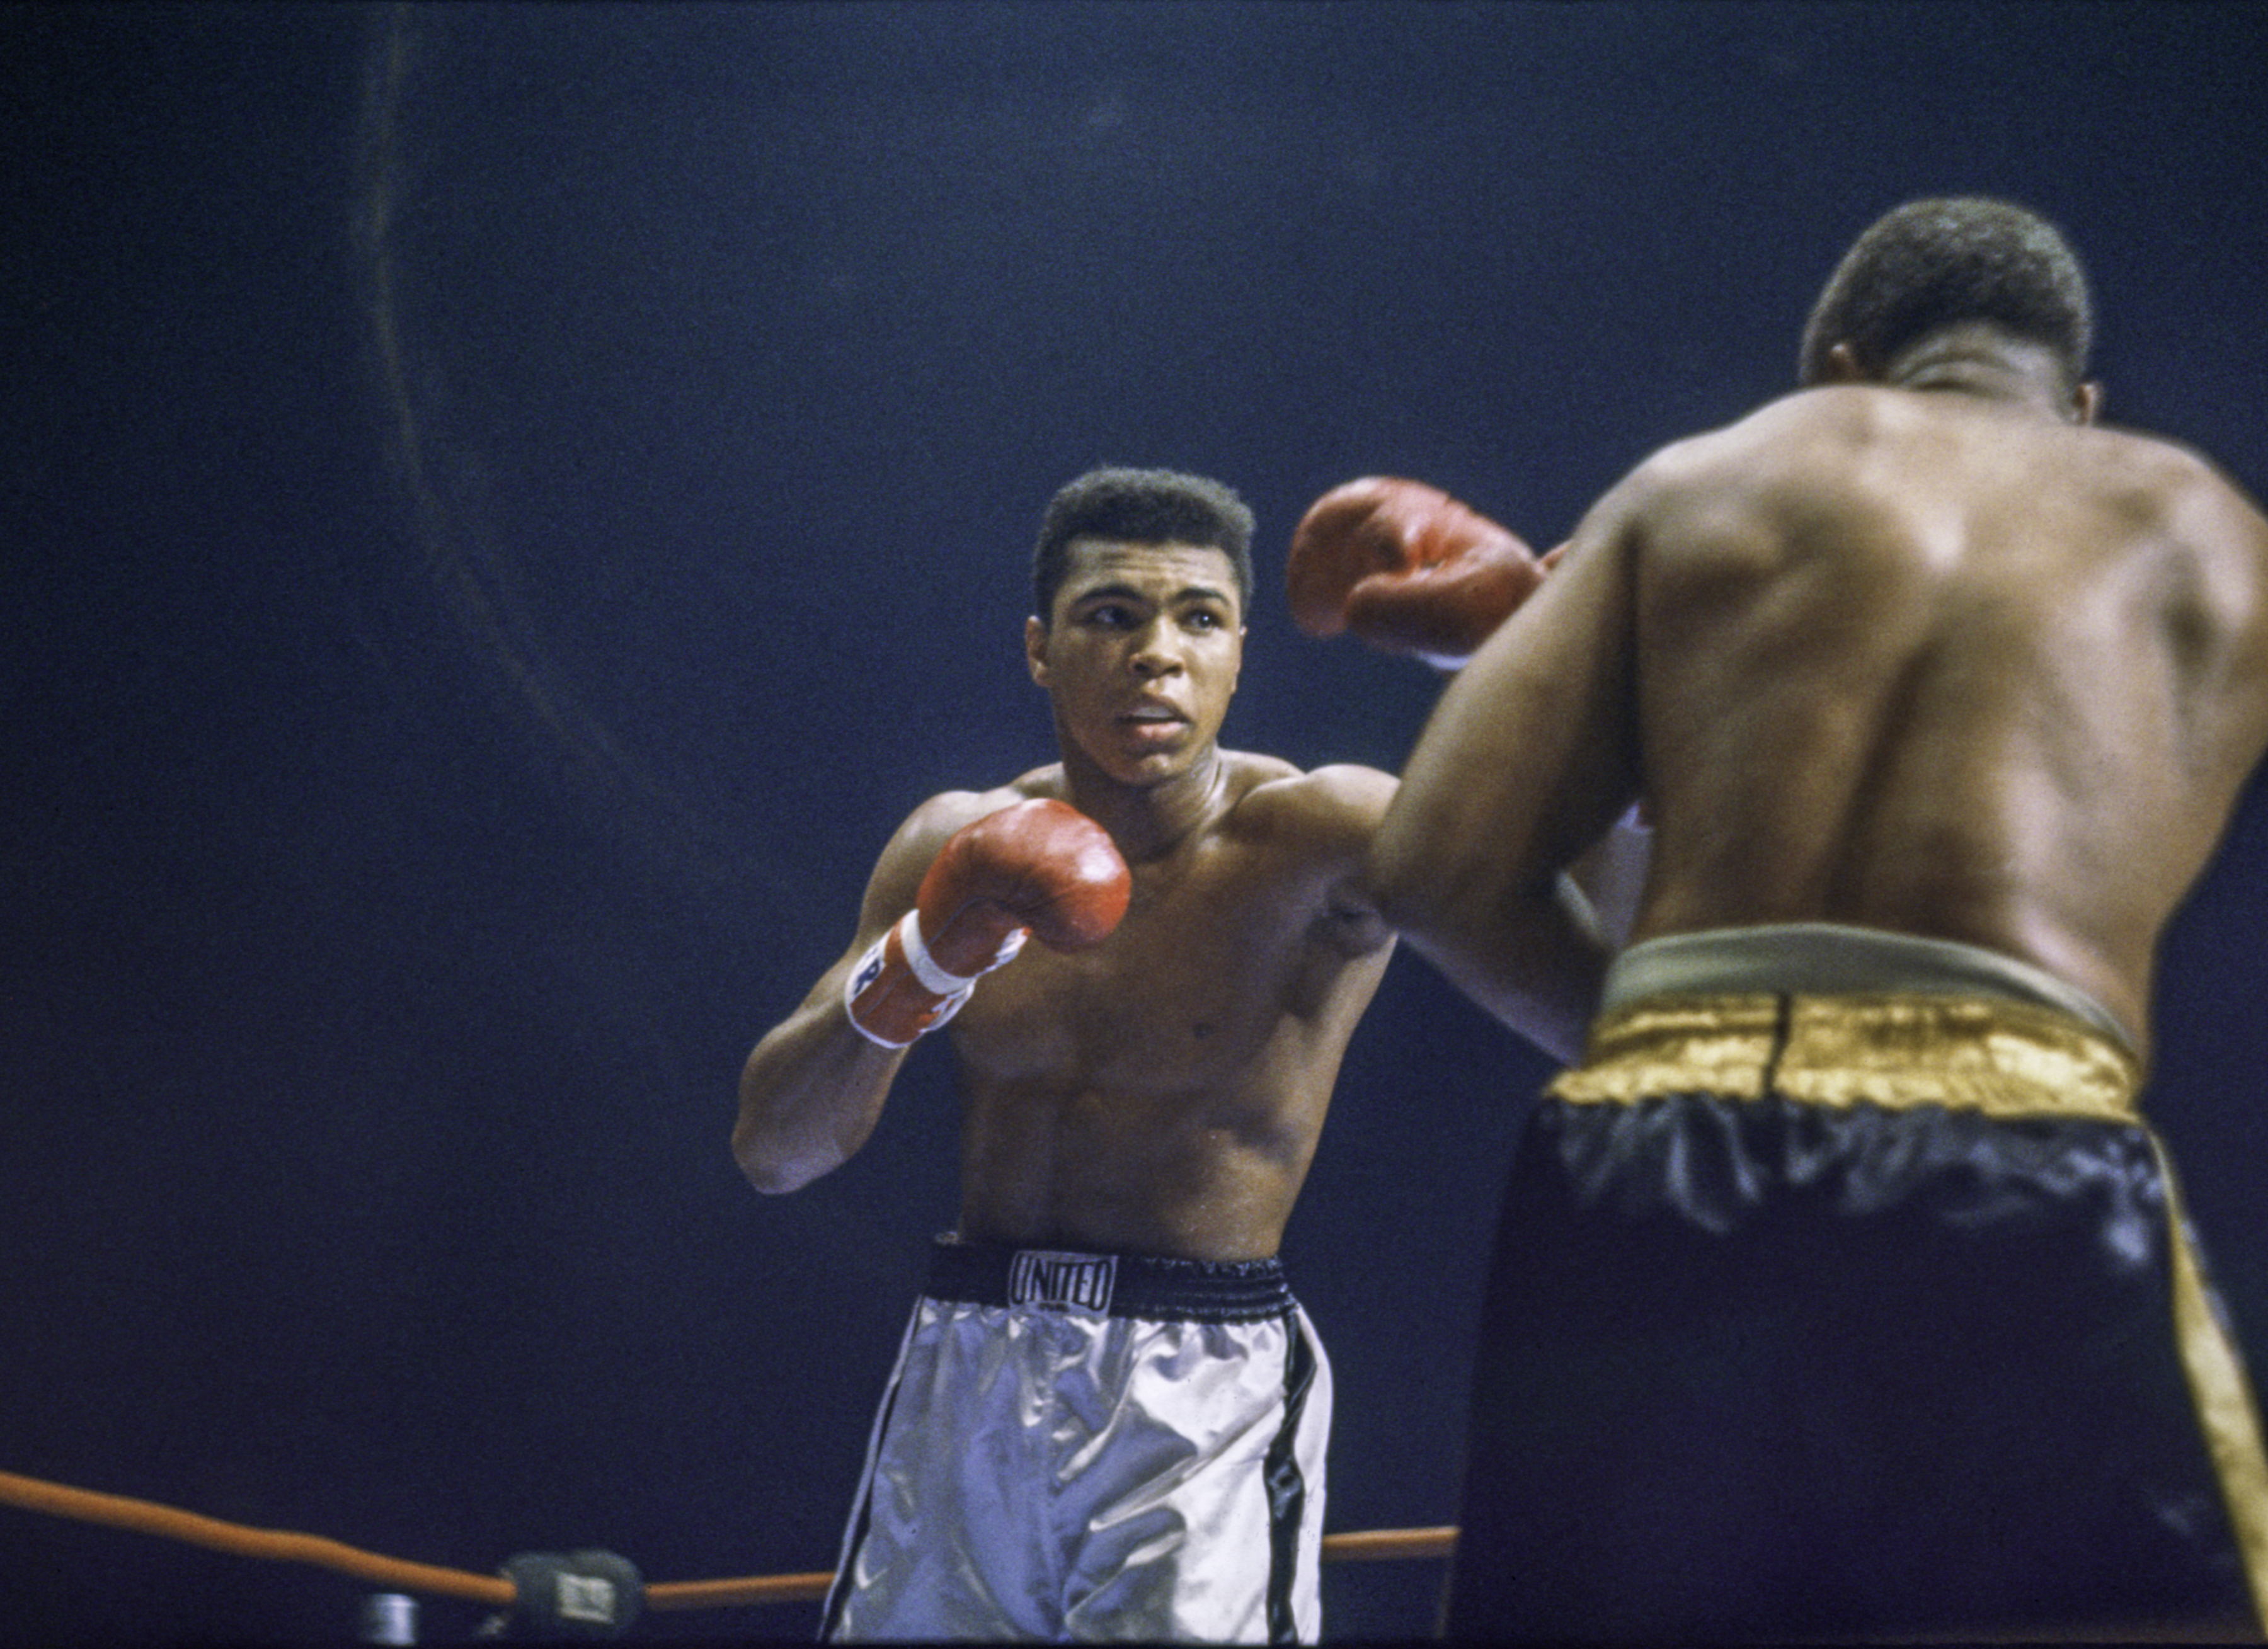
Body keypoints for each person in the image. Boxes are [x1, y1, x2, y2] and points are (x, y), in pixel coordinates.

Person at [1367, 197, 2268, 1639]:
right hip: (2014, 1150)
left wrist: (1676, 1033)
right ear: (2082, 403)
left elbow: (1426, 867)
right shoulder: (2210, 534)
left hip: (1655, 1151)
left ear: (1839, 370)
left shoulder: (1708, 478)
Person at [733, 464, 1559, 1641]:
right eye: (1111, 615)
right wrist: (920, 964)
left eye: (1199, 618)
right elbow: (774, 1151)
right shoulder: (950, 840)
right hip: (965, 1364)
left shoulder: (1327, 838)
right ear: (1039, 648)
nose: (1156, 653)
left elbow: (1595, 952)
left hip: (1201, 1388)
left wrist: (1538, 669)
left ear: (1240, 654)